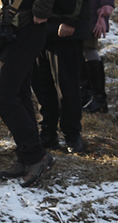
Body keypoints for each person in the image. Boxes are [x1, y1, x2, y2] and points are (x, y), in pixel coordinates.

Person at [0, 0, 56, 187]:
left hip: (28, 24)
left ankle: (36, 155)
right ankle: (27, 155)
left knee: (4, 95)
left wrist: (42, 10)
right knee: (19, 93)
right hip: (13, 24)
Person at [30, 0, 88, 154]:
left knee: (67, 88)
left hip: (65, 30)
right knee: (42, 86)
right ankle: (48, 132)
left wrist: (73, 22)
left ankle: (72, 135)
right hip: (37, 29)